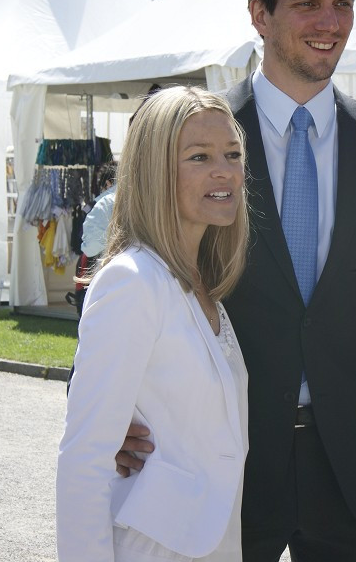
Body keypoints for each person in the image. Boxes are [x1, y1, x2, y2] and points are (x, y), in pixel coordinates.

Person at [117, 0, 356, 560]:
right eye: (307, 2)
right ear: (259, 14)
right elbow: (134, 264)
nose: (329, 20)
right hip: (222, 457)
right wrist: (106, 400)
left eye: (342, 2)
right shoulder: (196, 135)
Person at [57, 86, 250, 561]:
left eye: (232, 153)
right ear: (154, 170)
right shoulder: (132, 281)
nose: (224, 169)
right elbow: (84, 460)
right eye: (199, 156)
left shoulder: (200, 283)